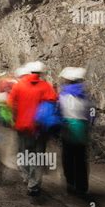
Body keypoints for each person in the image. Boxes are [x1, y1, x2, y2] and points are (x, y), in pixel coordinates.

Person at [8, 61, 57, 196]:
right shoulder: (46, 86)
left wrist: (15, 119)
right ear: (41, 73)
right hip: (39, 128)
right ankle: (34, 185)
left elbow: (11, 104)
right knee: (37, 156)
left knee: (24, 152)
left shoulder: (19, 86)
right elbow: (53, 103)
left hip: (23, 126)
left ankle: (26, 176)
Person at [58, 67, 91, 196]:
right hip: (82, 129)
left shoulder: (63, 95)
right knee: (81, 159)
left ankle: (70, 183)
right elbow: (91, 114)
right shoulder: (85, 95)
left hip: (68, 129)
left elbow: (59, 112)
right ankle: (82, 187)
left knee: (68, 157)